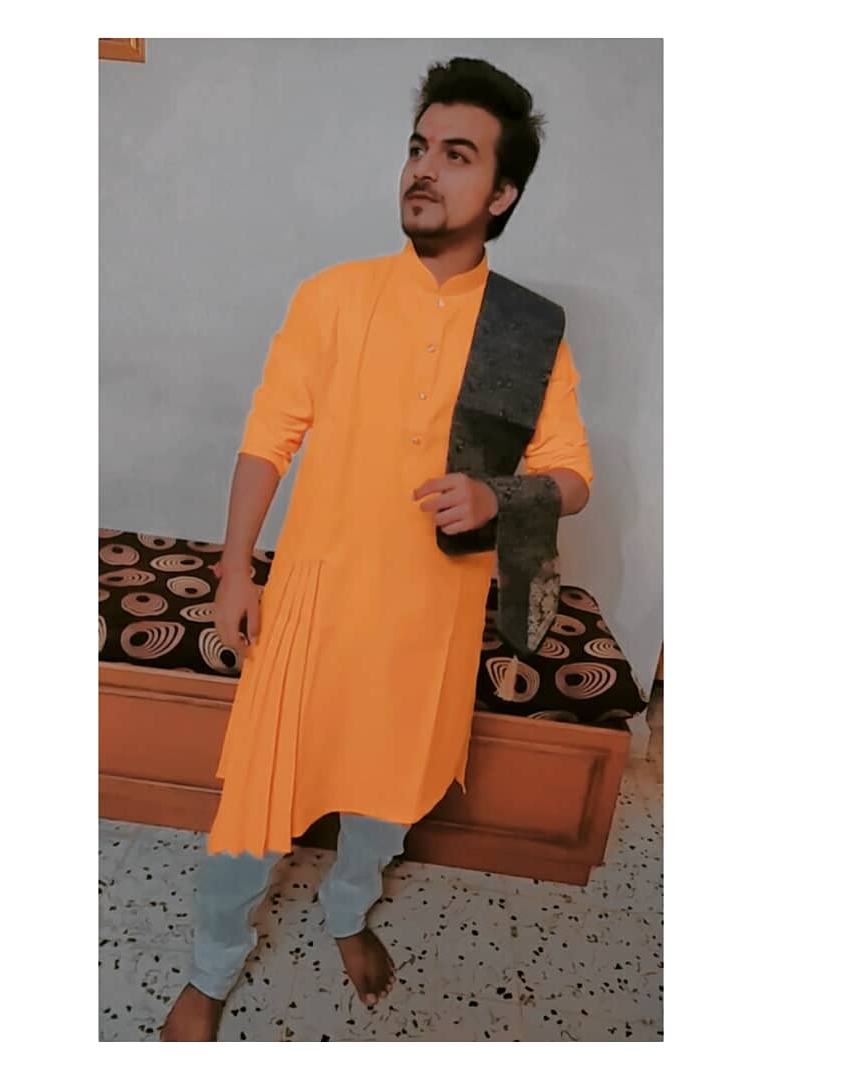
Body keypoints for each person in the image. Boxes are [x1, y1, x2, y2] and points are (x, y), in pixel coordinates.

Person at [160, 56, 594, 1042]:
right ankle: (210, 966)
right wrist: (235, 567)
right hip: (314, 606)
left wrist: (497, 494)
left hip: (430, 620)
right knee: (252, 816)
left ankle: (347, 912)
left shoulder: (527, 333)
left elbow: (572, 476)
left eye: (457, 154)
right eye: (417, 147)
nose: (423, 169)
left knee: (387, 804)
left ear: (503, 193)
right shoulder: (333, 297)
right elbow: (269, 435)